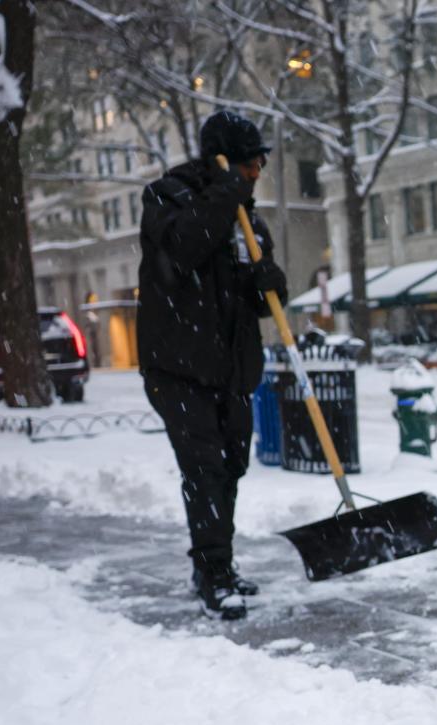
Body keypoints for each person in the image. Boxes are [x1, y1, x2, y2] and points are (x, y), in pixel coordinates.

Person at [138, 110, 287, 619]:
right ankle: (212, 573)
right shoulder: (166, 198)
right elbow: (183, 250)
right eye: (250, 163)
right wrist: (225, 194)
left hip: (230, 370)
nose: (257, 172)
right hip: (178, 366)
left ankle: (219, 563)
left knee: (231, 468)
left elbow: (262, 303)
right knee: (204, 471)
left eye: (261, 162)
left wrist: (268, 281)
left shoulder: (247, 218)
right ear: (224, 162)